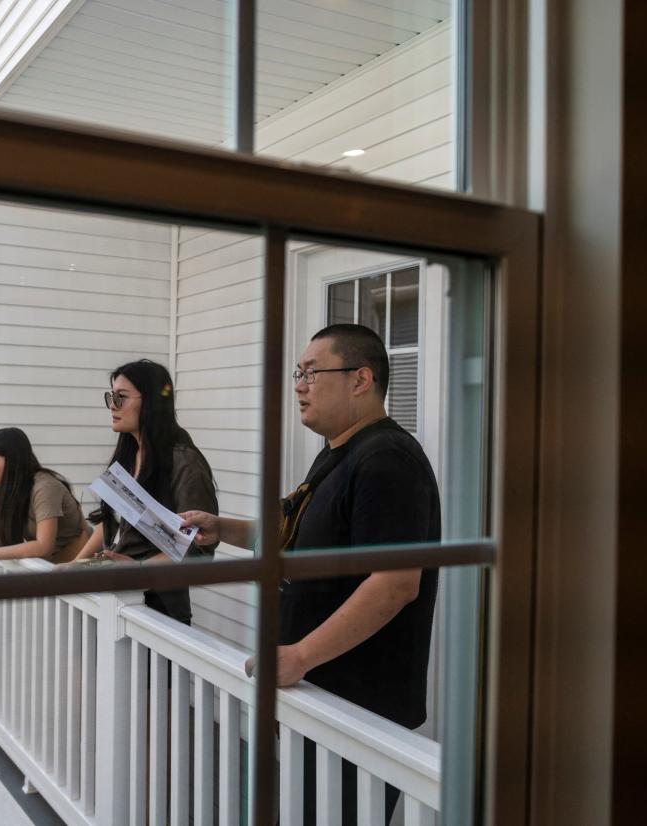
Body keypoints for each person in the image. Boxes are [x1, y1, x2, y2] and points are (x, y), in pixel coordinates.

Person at [181, 323, 440, 825]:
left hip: (359, 711)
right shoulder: (338, 454)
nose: (298, 385)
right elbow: (292, 531)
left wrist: (300, 655)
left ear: (360, 379)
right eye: (297, 373)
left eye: (311, 372)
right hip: (318, 698)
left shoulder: (387, 459)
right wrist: (222, 529)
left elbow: (395, 583)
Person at [72, 359, 218, 625]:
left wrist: (138, 570)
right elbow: (110, 525)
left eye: (122, 398)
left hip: (156, 610)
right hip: (114, 601)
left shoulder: (184, 462)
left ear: (150, 402)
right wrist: (73, 566)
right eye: (111, 397)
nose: (113, 406)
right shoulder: (128, 456)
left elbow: (198, 551)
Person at [0, 427, 91, 573]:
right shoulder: (15, 489)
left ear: (14, 462)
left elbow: (44, 546)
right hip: (54, 568)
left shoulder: (44, 487)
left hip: (83, 566)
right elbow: (13, 529)